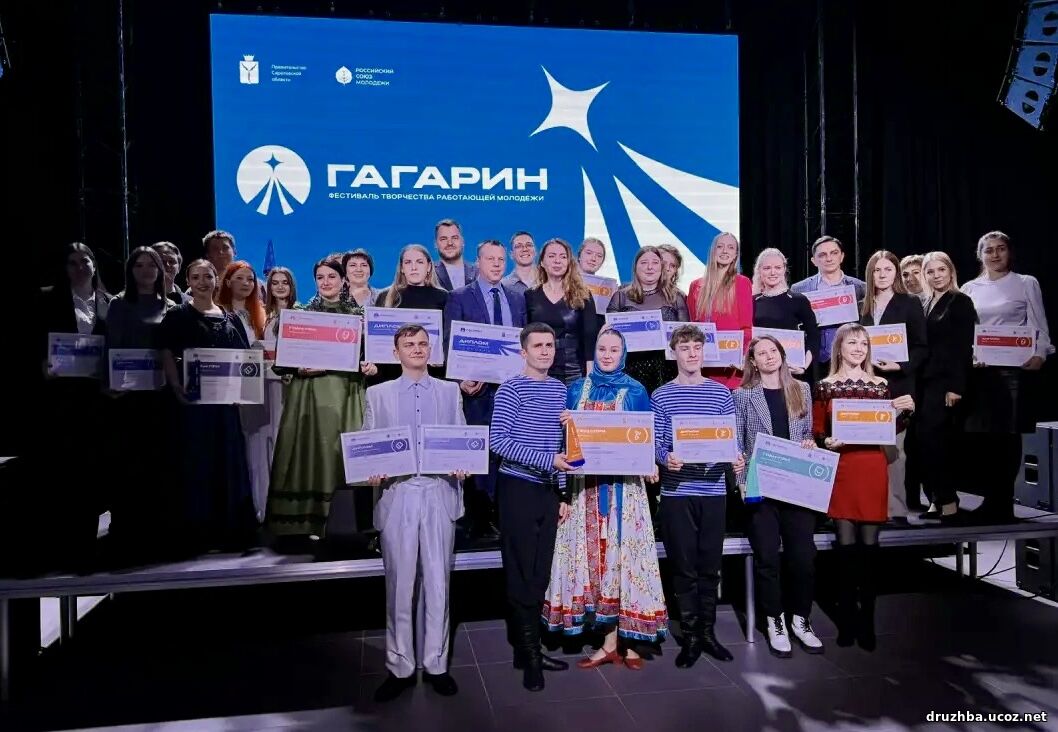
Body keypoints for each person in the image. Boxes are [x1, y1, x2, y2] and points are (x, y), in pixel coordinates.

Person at [544, 328, 668, 669]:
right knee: (594, 561)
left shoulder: (636, 390)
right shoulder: (575, 389)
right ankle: (608, 642)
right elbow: (564, 445)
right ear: (594, 352)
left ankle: (630, 642)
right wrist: (567, 425)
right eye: (602, 349)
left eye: (614, 349)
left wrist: (651, 464)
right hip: (584, 489)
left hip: (624, 492)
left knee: (624, 560)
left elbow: (646, 438)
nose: (608, 355)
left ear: (623, 353)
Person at [364, 324, 467, 702]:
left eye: (423, 343)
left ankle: (436, 664)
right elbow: (368, 441)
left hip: (439, 491)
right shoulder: (377, 394)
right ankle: (400, 666)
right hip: (398, 494)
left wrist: (464, 465)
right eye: (409, 344)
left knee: (438, 584)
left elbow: (462, 438)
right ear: (396, 352)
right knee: (400, 585)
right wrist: (371, 470)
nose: (417, 349)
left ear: (431, 350)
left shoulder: (450, 390)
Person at [812, 323, 915, 650]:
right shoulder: (825, 386)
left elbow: (888, 428)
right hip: (843, 469)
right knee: (845, 552)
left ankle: (867, 622)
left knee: (869, 552)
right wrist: (827, 441)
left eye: (863, 344)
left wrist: (905, 413)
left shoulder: (881, 385)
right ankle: (846, 622)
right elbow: (817, 429)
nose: (858, 349)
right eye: (852, 343)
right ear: (839, 348)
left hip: (872, 468)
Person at [268, 257, 378, 548]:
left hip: (347, 395)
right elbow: (282, 363)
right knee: (313, 451)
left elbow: (372, 356)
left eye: (331, 276)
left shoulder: (360, 316)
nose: (326, 282)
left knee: (345, 453)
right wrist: (299, 368)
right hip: (310, 396)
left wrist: (370, 365)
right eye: (320, 277)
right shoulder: (301, 314)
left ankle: (352, 524)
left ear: (343, 280)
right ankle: (305, 523)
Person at [651, 325, 745, 666]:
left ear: (704, 352)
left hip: (713, 490)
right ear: (673, 352)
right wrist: (665, 458)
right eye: (685, 347)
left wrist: (736, 457)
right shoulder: (661, 395)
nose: (691, 353)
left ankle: (708, 634)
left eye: (696, 347)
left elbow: (731, 440)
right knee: (684, 567)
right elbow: (655, 443)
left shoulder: (721, 394)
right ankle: (690, 637)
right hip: (677, 493)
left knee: (710, 566)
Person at [490, 323, 574, 692]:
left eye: (549, 345)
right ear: (523, 352)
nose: (544, 351)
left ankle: (528, 649)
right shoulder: (510, 389)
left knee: (540, 571)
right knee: (521, 571)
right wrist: (546, 462)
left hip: (547, 491)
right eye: (537, 345)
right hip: (518, 488)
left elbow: (561, 445)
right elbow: (498, 442)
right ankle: (529, 656)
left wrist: (562, 493)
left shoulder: (560, 390)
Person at [158, 259, 257, 551]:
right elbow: (165, 352)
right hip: (193, 406)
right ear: (188, 281)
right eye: (196, 277)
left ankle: (229, 530)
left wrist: (244, 392)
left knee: (227, 462)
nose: (202, 282)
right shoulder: (177, 315)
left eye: (208, 276)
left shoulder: (231, 318)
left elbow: (245, 359)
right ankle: (197, 530)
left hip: (225, 407)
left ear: (216, 280)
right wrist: (175, 385)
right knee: (196, 463)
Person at [733, 336, 823, 658]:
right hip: (761, 487)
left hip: (796, 486)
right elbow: (737, 443)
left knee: (803, 557)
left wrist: (810, 444)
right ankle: (775, 621)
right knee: (767, 558)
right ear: (753, 362)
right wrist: (742, 482)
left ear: (782, 356)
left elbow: (807, 433)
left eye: (773, 351)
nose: (769, 357)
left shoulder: (802, 390)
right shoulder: (742, 395)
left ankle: (801, 619)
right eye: (762, 353)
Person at [962, 231, 1052, 522]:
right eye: (989, 250)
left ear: (1009, 252)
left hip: (1014, 371)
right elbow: (966, 330)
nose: (995, 254)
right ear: (980, 255)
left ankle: (1002, 504)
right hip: (981, 372)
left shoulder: (1025, 282)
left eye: (1001, 249)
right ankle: (991, 501)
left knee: (1007, 437)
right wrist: (970, 354)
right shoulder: (969, 288)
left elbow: (1039, 324)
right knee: (985, 439)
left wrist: (1040, 353)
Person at [442, 240, 527, 539]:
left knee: (509, 451)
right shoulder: (459, 297)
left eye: (501, 259)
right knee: (479, 453)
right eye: (490, 259)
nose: (496, 264)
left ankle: (504, 515)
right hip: (477, 392)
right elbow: (449, 342)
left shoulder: (518, 298)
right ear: (478, 262)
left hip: (511, 391)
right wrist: (460, 380)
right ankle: (478, 519)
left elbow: (524, 343)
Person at [39, 242, 112, 570]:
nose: (80, 267)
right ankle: (60, 549)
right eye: (73, 262)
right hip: (61, 401)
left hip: (99, 402)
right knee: (62, 474)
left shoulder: (109, 302)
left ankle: (86, 549)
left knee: (93, 474)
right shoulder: (46, 299)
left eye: (85, 261)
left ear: (95, 265)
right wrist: (41, 366)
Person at [103, 247, 176, 555]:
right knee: (129, 464)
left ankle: (159, 528)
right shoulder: (119, 304)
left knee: (161, 463)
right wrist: (111, 383)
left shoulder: (172, 305)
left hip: (162, 398)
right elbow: (111, 347)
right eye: (139, 265)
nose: (146, 271)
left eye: (151, 265)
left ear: (160, 270)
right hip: (129, 398)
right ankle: (126, 530)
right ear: (130, 271)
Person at [858, 250, 928, 520]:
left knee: (895, 450)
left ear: (896, 273)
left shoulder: (909, 303)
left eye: (888, 269)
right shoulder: (862, 305)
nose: (882, 274)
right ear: (870, 274)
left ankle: (896, 511)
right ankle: (870, 510)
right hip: (866, 389)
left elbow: (921, 347)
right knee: (867, 452)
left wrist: (899, 365)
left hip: (898, 387)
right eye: (877, 270)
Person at [916, 252, 977, 522]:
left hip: (945, 384)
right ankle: (936, 500)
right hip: (925, 381)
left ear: (951, 272)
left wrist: (956, 387)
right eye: (930, 271)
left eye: (941, 270)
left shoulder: (960, 301)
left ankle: (949, 502)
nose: (936, 275)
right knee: (925, 442)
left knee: (938, 442)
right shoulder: (926, 301)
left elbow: (963, 347)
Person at [217, 261, 272, 520]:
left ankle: (259, 506)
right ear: (228, 281)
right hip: (228, 392)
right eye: (240, 278)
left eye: (250, 279)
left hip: (258, 390)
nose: (246, 283)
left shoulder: (260, 314)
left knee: (257, 448)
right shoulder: (218, 312)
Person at [606, 246, 689, 393]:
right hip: (627, 372)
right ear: (635, 267)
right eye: (644, 262)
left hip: (666, 372)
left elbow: (686, 339)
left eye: (655, 263)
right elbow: (609, 339)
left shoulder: (676, 297)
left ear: (661, 267)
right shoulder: (620, 296)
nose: (650, 267)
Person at [525, 238, 600, 385]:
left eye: (563, 257)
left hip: (574, 372)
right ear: (542, 262)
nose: (557, 261)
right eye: (551, 256)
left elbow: (590, 337)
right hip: (539, 371)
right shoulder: (530, 295)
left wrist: (590, 374)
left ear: (569, 262)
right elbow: (524, 336)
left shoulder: (583, 295)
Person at [791, 236, 867, 376]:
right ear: (814, 261)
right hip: (814, 361)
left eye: (834, 253)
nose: (829, 258)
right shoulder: (799, 289)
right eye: (822, 255)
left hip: (849, 360)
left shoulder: (860, 288)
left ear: (842, 256)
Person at [688, 232, 753, 389]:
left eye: (730, 247)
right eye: (720, 246)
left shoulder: (742, 283)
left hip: (731, 369)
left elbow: (747, 327)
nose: (725, 251)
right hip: (702, 368)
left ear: (736, 254)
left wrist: (741, 357)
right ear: (713, 251)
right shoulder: (696, 286)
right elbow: (692, 327)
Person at [751, 248, 820, 380]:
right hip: (760, 374)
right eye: (767, 268)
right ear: (759, 271)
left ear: (784, 269)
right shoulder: (752, 301)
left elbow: (813, 335)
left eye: (777, 267)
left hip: (790, 372)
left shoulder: (798, 300)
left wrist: (804, 365)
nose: (773, 272)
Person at [262, 266, 298, 500]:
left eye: (284, 282)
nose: (280, 287)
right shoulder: (264, 316)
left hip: (295, 383)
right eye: (275, 283)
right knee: (273, 435)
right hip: (271, 385)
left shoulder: (301, 313)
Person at [898, 254, 928, 510]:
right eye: (905, 274)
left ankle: (935, 497)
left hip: (931, 381)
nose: (910, 278)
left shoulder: (939, 301)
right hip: (907, 379)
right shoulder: (902, 303)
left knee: (925, 442)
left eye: (916, 272)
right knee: (908, 442)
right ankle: (911, 497)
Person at [433, 218, 475, 291]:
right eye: (443, 239)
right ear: (436, 244)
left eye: (454, 238)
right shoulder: (428, 274)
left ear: (463, 242)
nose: (450, 243)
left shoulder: (479, 273)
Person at [502, 231, 538, 296]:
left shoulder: (549, 280)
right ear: (511, 254)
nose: (524, 249)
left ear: (535, 251)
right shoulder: (503, 285)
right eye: (518, 246)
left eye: (529, 245)